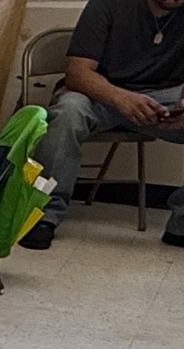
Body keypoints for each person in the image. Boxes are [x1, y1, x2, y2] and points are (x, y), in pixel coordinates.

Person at [22, 0, 184, 249]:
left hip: (163, 98)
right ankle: (43, 216)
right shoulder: (107, 4)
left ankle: (181, 224)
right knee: (68, 112)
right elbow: (77, 74)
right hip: (99, 94)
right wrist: (121, 98)